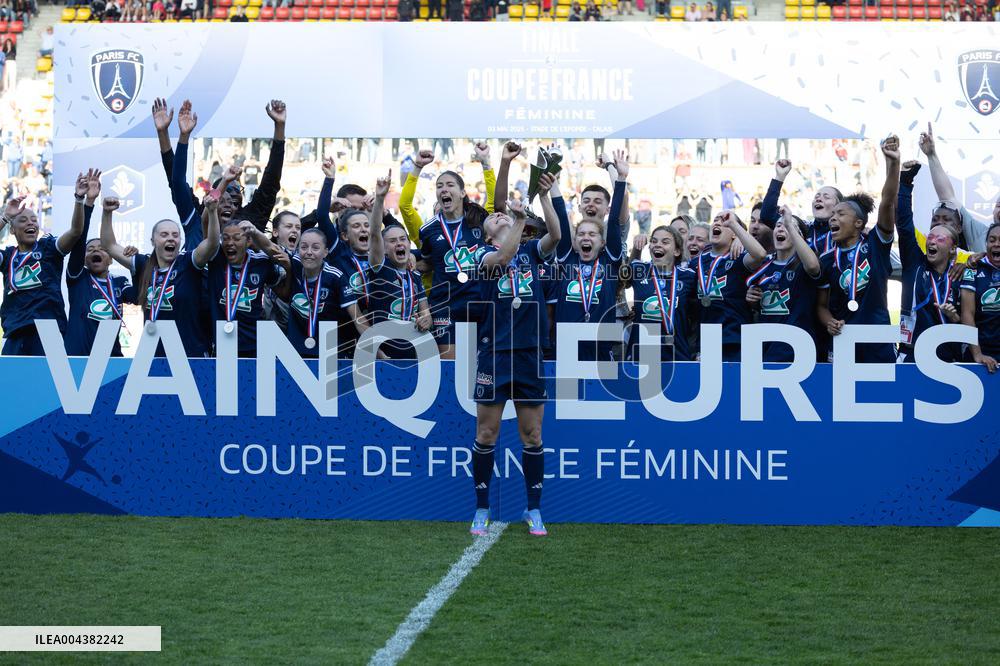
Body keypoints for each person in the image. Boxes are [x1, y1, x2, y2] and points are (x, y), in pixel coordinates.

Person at [469, 187, 561, 538]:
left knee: (532, 434)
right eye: (495, 218)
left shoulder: (531, 253)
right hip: (495, 354)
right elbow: (501, 261)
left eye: (504, 214)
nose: (501, 215)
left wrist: (545, 195)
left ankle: (533, 509)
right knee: (486, 432)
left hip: (530, 353)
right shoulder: (481, 255)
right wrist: (520, 219)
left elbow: (555, 234)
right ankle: (482, 507)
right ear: (488, 233)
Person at [152, 97, 287, 250]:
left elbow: (270, 183)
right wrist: (164, 133)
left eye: (235, 197)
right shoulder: (195, 221)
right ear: (210, 198)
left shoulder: (249, 225)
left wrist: (280, 127)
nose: (229, 201)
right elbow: (175, 180)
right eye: (224, 194)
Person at [100, 191, 221, 359]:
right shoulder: (143, 264)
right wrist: (107, 213)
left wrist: (213, 212)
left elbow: (212, 244)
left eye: (175, 235)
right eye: (164, 235)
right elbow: (109, 245)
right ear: (153, 241)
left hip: (190, 355)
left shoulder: (188, 262)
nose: (171, 239)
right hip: (153, 355)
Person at [817, 136, 901, 364]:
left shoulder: (876, 245)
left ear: (858, 223)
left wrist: (893, 163)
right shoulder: (826, 259)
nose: (833, 217)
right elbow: (821, 306)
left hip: (877, 338)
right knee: (842, 398)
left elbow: (887, 201)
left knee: (881, 397)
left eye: (840, 214)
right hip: (844, 339)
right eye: (832, 215)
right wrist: (828, 322)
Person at [549, 150, 629, 361]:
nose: (586, 238)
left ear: (602, 242)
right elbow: (560, 216)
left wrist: (620, 178)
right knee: (567, 394)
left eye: (592, 234)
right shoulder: (567, 256)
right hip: (567, 341)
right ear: (574, 241)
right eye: (581, 234)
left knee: (603, 394)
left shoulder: (609, 259)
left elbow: (613, 221)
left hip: (602, 340)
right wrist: (553, 182)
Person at [413, 150, 491, 359]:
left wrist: (486, 163)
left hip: (480, 302)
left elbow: (495, 201)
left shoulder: (479, 220)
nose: (444, 190)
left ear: (463, 192)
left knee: (483, 365)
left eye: (449, 185)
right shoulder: (428, 229)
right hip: (445, 306)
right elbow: (429, 261)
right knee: (451, 369)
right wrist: (413, 258)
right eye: (439, 186)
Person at [0, 184, 87, 355]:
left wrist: (79, 199)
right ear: (12, 230)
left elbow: (76, 231)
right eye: (23, 220)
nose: (30, 223)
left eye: (34, 220)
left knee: (48, 382)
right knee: (11, 381)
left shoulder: (48, 248)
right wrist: (5, 217)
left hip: (48, 330)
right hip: (15, 330)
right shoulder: (8, 256)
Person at [895, 161, 964, 363]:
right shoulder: (915, 264)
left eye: (940, 239)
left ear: (953, 247)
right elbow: (905, 223)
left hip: (951, 357)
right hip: (912, 354)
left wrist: (955, 318)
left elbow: (973, 320)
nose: (931, 242)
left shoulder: (963, 273)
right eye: (930, 238)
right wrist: (906, 182)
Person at [65, 170, 136, 358]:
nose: (96, 251)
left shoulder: (120, 283)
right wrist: (88, 203)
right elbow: (79, 239)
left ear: (112, 257)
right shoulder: (77, 278)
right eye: (90, 249)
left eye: (102, 248)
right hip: (75, 361)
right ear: (83, 259)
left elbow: (139, 295)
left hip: (111, 360)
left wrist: (136, 264)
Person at [362, 171, 432, 360]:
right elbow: (375, 232)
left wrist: (427, 318)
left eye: (403, 239)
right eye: (392, 241)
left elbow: (424, 310)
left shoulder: (414, 275)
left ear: (410, 245)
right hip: (384, 351)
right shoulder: (380, 269)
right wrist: (380, 199)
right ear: (383, 249)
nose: (399, 243)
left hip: (414, 349)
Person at [745, 208, 824, 362]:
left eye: (788, 226)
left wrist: (790, 223)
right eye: (778, 225)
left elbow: (814, 267)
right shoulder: (763, 266)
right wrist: (753, 302)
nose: (781, 227)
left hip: (797, 350)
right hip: (764, 347)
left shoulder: (803, 264)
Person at [688, 211, 768, 361]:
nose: (718, 223)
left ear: (734, 234)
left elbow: (760, 255)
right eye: (715, 220)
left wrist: (734, 225)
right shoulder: (696, 263)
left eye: (724, 222)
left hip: (735, 338)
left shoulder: (738, 258)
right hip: (705, 340)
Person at [206, 219, 287, 357]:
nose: (230, 243)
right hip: (222, 344)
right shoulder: (216, 258)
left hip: (255, 344)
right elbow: (208, 235)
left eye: (237, 238)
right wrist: (211, 210)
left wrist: (255, 232)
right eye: (225, 239)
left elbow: (281, 256)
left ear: (249, 241)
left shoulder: (260, 262)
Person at [918, 122, 997, 253]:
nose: (940, 223)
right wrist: (931, 156)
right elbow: (947, 198)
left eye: (946, 220)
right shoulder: (981, 234)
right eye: (999, 205)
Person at [626, 226, 699, 361]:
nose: (657, 245)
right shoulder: (639, 270)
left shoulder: (689, 276)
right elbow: (625, 275)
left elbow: (699, 314)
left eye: (665, 242)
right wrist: (637, 247)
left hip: (676, 352)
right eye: (654, 241)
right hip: (642, 352)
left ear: (677, 251)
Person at [283, 228, 356, 358]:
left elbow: (357, 318)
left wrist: (374, 348)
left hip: (329, 355)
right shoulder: (294, 264)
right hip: (295, 354)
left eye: (315, 248)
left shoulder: (336, 277)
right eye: (304, 247)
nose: (309, 252)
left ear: (325, 252)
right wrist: (254, 231)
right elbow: (269, 247)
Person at [961, 223, 1000, 373]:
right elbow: (967, 315)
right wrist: (978, 354)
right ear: (986, 244)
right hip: (982, 351)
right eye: (992, 240)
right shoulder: (973, 269)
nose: (997, 244)